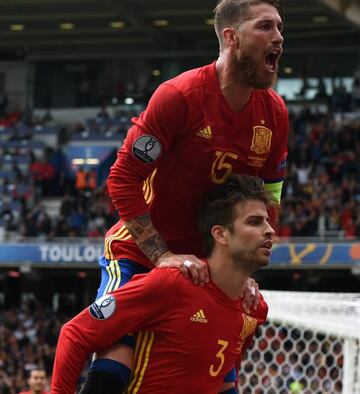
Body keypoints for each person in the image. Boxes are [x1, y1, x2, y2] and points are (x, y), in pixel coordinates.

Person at [84, 0, 288, 391]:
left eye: (280, 27)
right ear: (231, 37)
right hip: (138, 256)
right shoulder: (179, 96)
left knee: (219, 381)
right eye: (265, 27)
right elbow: (123, 177)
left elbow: (270, 195)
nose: (278, 37)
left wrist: (239, 269)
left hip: (207, 268)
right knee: (112, 368)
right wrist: (161, 255)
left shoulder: (275, 113)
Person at [51, 174, 276, 394]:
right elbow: (75, 333)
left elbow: (223, 382)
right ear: (221, 234)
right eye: (254, 222)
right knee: (110, 368)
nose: (270, 230)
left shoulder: (254, 308)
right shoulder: (172, 284)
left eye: (267, 221)